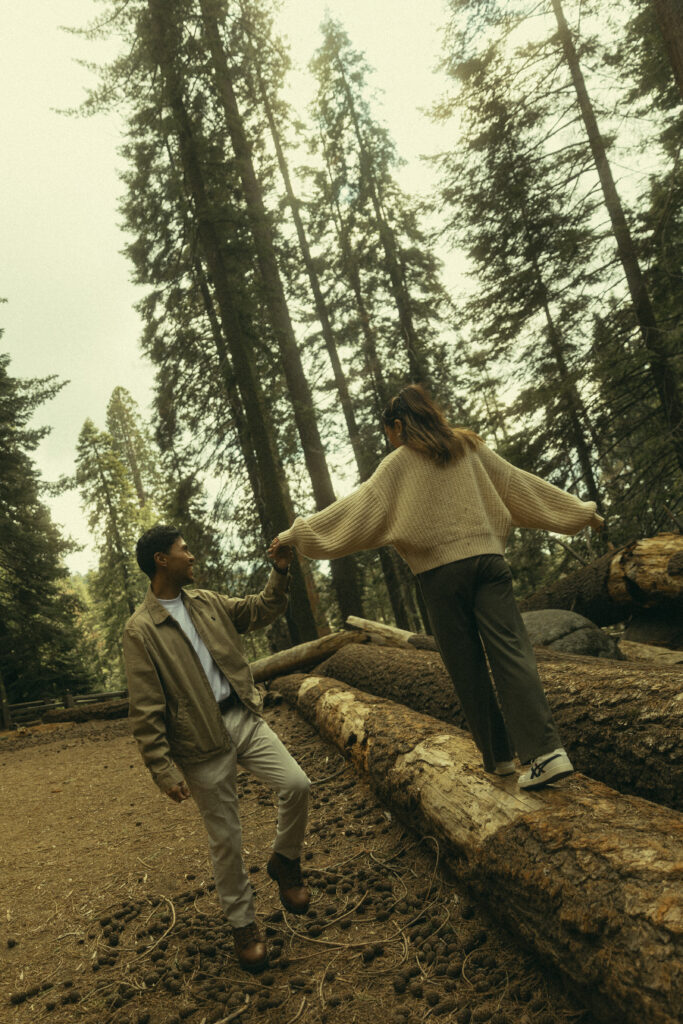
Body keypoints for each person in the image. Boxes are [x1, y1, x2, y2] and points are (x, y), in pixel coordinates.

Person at [270, 385, 604, 791]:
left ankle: (499, 760)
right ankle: (547, 753)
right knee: (513, 655)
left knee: (466, 668)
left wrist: (295, 534)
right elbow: (519, 486)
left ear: (398, 425)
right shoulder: (469, 447)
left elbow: (352, 511)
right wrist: (580, 513)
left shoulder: (397, 466)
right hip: (489, 564)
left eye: (389, 430)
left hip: (441, 577)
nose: (390, 439)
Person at [123, 524, 311, 973]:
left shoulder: (206, 602)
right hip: (199, 743)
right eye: (182, 550)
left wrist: (280, 570)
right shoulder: (141, 630)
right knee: (226, 839)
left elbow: (261, 609)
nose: (191, 556)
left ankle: (285, 863)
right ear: (161, 561)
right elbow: (145, 707)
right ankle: (243, 925)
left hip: (243, 718)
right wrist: (163, 769)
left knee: (297, 784)